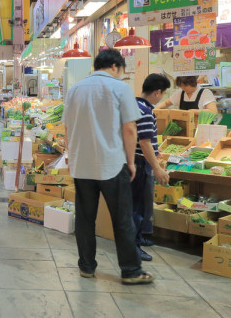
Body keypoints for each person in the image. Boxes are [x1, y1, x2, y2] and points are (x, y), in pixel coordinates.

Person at [63, 48, 154, 285]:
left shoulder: (75, 90)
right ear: (115, 66)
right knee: (122, 219)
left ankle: (86, 267)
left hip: (82, 164)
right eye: (122, 70)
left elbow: (67, 129)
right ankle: (131, 270)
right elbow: (130, 129)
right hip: (112, 163)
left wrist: (72, 156)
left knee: (84, 218)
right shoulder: (120, 88)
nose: (121, 75)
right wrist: (131, 162)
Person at [133, 74, 171, 262]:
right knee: (139, 207)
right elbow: (145, 142)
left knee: (135, 206)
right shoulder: (146, 111)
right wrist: (157, 168)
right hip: (140, 163)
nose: (162, 97)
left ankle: (135, 241)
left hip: (131, 160)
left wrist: (155, 151)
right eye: (163, 93)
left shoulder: (132, 104)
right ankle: (134, 247)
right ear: (157, 92)